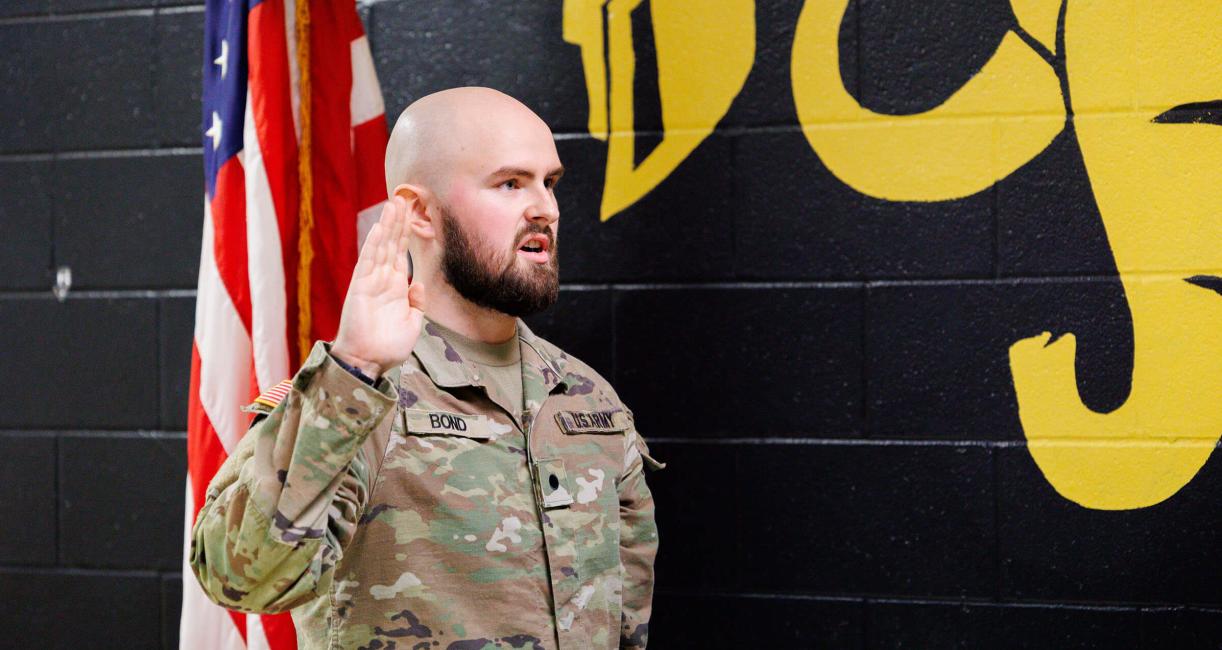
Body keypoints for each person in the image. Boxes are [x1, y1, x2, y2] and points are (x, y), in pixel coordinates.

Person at [189, 87, 663, 649]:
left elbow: (627, 622)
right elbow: (237, 578)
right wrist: (354, 368)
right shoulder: (354, 399)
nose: (546, 209)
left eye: (549, 182)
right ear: (419, 212)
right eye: (510, 183)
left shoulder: (589, 402)